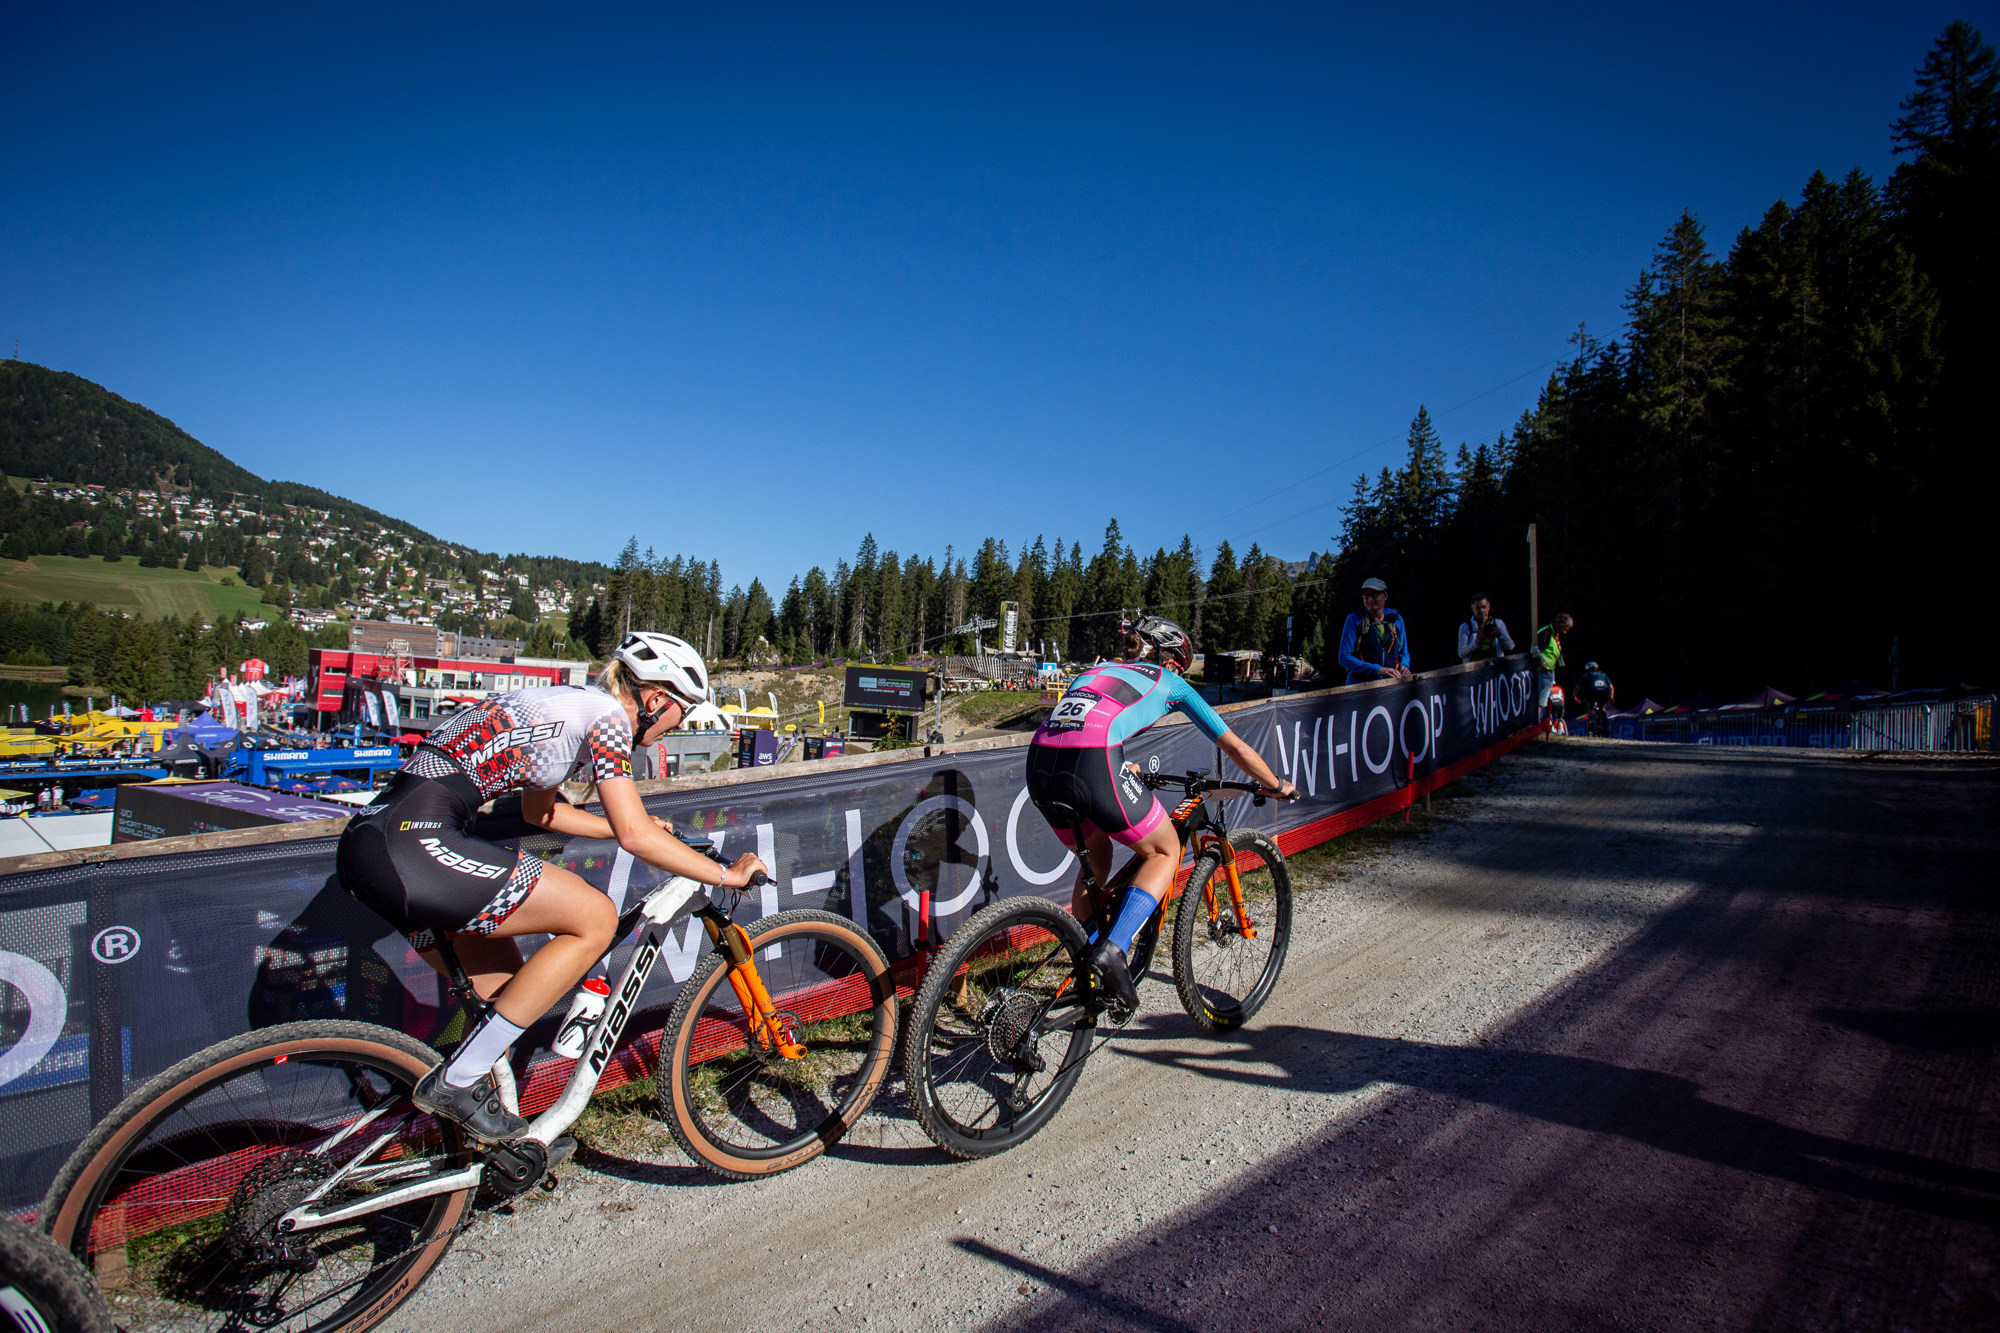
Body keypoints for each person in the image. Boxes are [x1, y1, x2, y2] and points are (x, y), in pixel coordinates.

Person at [335, 632, 767, 1142]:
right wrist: (724, 875)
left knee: (506, 995)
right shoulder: (607, 717)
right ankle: (454, 1084)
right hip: (414, 844)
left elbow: (542, 812)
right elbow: (633, 836)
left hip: (376, 841)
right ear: (656, 701)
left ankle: (496, 1145)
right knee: (596, 918)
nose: (678, 728)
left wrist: (644, 827)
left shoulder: (563, 707)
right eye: (683, 713)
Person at [1026, 616, 1297, 1015]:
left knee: (1096, 857)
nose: (1177, 672)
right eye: (1179, 664)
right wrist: (1275, 783)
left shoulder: (1097, 668)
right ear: (1168, 658)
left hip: (1040, 758)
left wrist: (1122, 767)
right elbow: (1234, 746)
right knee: (1166, 850)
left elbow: (1084, 722)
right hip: (1093, 758)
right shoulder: (1172, 683)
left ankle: (1086, 968)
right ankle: (1113, 952)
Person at [1337, 578, 1412, 684]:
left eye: (1374, 594)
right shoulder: (1354, 620)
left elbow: (1404, 653)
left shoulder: (1397, 620)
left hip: (1391, 687)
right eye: (1366, 595)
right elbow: (1344, 657)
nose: (1370, 599)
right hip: (1360, 688)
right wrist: (1378, 670)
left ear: (1385, 596)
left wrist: (1405, 666)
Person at [1533, 614, 1574, 731]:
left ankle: (1543, 725)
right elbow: (1535, 651)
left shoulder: (1554, 635)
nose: (1565, 632)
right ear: (1559, 622)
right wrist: (1542, 666)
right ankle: (1535, 727)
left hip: (1548, 671)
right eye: (1565, 628)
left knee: (1544, 700)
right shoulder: (1545, 633)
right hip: (1542, 672)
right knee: (1540, 701)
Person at [1456, 593, 1515, 664]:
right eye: (1478, 608)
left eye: (1484, 607)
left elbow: (1511, 646)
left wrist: (1500, 635)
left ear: (1489, 607)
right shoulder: (1466, 627)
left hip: (1495, 668)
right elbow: (1461, 653)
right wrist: (1476, 643)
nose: (1481, 610)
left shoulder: (1498, 623)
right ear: (1472, 608)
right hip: (1473, 671)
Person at [1578, 661, 1615, 736]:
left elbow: (1578, 687)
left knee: (1590, 708)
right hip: (1605, 691)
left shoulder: (1587, 674)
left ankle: (1593, 720)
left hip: (1593, 691)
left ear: (1588, 669)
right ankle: (1605, 726)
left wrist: (1575, 696)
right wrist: (1611, 696)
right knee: (1602, 708)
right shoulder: (1603, 674)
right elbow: (1611, 687)